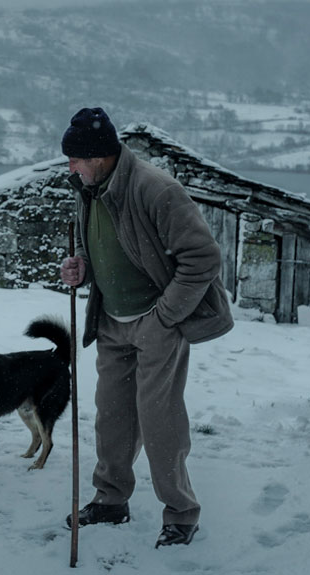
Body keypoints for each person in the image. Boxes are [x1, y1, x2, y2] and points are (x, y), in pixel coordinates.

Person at [58, 108, 233, 547]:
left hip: (156, 323)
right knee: (111, 418)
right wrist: (80, 265)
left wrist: (164, 318)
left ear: (99, 156)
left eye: (75, 160)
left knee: (160, 422)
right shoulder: (90, 188)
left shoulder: (156, 190)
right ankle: (111, 500)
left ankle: (180, 513)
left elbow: (204, 259)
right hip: (112, 322)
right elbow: (96, 240)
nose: (70, 168)